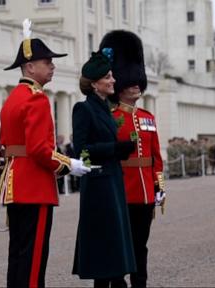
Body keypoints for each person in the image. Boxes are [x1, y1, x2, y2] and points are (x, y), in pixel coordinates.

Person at [0, 19, 90, 288]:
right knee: (34, 257)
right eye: (46, 62)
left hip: (16, 184)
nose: (52, 66)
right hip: (34, 185)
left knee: (18, 253)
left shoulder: (14, 97)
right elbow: (40, 150)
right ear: (29, 66)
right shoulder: (36, 98)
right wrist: (68, 164)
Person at [100, 30, 165, 288]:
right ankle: (118, 283)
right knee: (119, 244)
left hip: (145, 194)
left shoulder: (148, 117)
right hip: (122, 191)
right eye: (131, 81)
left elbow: (156, 157)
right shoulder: (111, 116)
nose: (137, 85)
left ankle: (140, 283)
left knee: (141, 245)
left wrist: (159, 186)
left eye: (138, 81)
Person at [72, 49, 137, 287]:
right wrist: (113, 149)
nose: (113, 81)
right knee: (105, 251)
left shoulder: (105, 109)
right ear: (94, 83)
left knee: (114, 247)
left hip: (112, 182)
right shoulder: (84, 109)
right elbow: (81, 151)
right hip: (98, 187)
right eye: (108, 77)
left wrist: (121, 149)